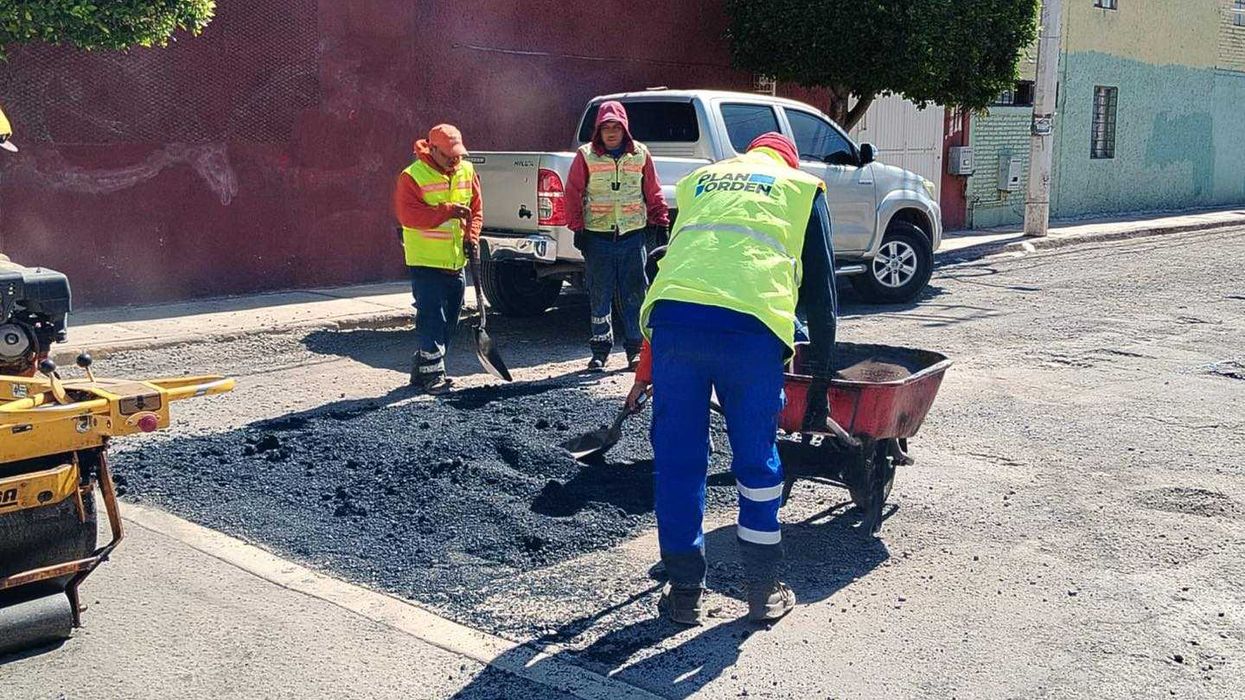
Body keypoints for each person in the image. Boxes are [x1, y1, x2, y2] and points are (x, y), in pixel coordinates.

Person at [630, 132, 846, 625]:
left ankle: (685, 591)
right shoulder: (800, 189)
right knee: (755, 459)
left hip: (675, 326)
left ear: (747, 157)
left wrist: (648, 364)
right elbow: (822, 296)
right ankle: (763, 589)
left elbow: (677, 267)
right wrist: (820, 385)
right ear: (788, 159)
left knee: (679, 458)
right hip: (749, 333)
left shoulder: (702, 181)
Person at [565, 101, 669, 372]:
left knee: (635, 294)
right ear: (598, 130)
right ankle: (600, 350)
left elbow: (653, 190)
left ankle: (635, 351)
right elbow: (573, 192)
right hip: (597, 237)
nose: (611, 133)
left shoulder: (641, 154)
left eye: (616, 127)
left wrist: (660, 221)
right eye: (605, 127)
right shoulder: (585, 155)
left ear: (625, 129)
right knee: (599, 294)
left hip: (632, 236)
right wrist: (577, 227)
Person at [393, 124, 483, 394]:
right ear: (432, 149)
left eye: (458, 154)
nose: (456, 160)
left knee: (451, 318)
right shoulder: (412, 176)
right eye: (448, 155)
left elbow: (476, 208)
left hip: (455, 261)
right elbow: (409, 216)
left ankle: (424, 363)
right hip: (426, 261)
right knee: (432, 315)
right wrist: (447, 211)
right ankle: (434, 375)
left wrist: (473, 236)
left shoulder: (467, 170)